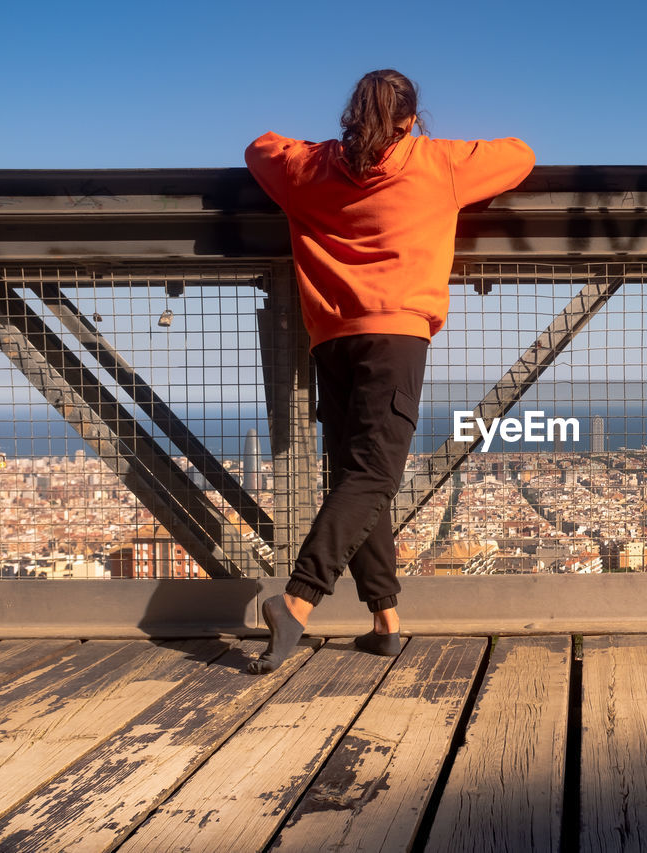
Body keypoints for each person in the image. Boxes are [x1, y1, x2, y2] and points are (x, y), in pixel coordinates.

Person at [244, 69, 534, 673]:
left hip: (331, 339)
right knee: (375, 475)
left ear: (350, 115)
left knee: (355, 472)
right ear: (411, 119)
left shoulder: (308, 168)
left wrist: (318, 150)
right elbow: (521, 156)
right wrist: (427, 144)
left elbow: (259, 149)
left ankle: (385, 618)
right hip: (396, 335)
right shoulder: (437, 163)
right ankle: (297, 602)